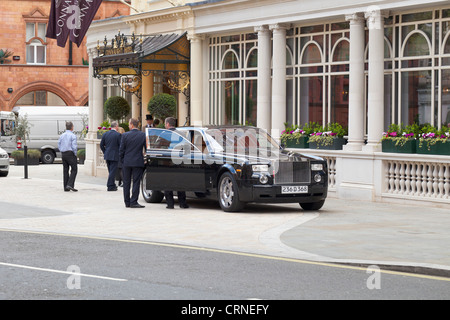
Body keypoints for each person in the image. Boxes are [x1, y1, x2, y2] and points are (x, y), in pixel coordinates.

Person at [119, 118, 147, 208]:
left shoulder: (125, 135)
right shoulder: (143, 135)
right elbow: (147, 149)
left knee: (126, 182)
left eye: (128, 124)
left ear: (131, 124)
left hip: (127, 162)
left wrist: (122, 160)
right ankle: (134, 201)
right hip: (138, 161)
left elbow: (121, 150)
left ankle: (127, 202)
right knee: (136, 182)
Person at [163, 117, 189, 209]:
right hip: (179, 159)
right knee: (180, 181)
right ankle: (183, 203)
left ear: (168, 124)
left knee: (167, 181)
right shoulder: (182, 134)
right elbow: (186, 147)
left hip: (168, 160)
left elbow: (161, 146)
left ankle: (170, 204)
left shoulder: (165, 133)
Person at [100, 121, 122, 191]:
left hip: (107, 155)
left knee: (110, 171)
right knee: (112, 171)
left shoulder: (105, 134)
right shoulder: (118, 135)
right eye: (117, 126)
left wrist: (105, 151)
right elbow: (121, 146)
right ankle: (110, 185)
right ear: (116, 126)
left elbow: (101, 145)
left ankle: (112, 185)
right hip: (114, 155)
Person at [58, 121, 78, 192]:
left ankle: (66, 187)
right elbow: (74, 146)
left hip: (64, 154)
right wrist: (75, 154)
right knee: (74, 169)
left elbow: (59, 144)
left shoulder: (62, 135)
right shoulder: (73, 136)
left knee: (65, 170)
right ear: (72, 127)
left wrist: (62, 150)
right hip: (70, 153)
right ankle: (70, 184)